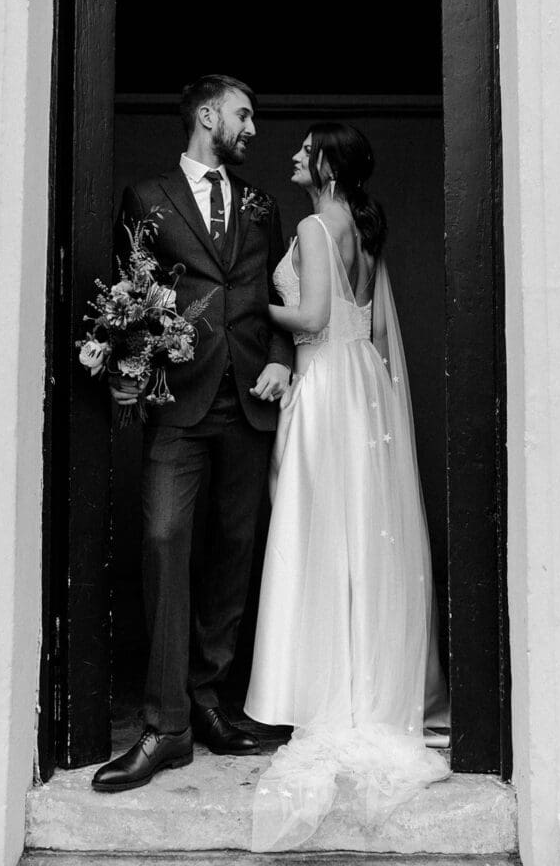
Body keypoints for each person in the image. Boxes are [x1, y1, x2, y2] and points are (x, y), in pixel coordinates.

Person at [244, 123, 450, 851]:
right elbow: (365, 326)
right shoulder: (360, 226)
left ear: (327, 166)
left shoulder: (311, 223)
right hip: (362, 383)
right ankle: (365, 683)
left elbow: (309, 318)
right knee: (360, 534)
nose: (293, 156)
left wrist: (240, 304)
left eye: (305, 150)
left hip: (327, 383)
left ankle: (328, 693)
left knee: (318, 532)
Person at [92, 74, 292, 793]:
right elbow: (128, 291)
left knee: (233, 553)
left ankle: (210, 702)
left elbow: (276, 292)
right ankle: (165, 725)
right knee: (163, 541)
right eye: (245, 114)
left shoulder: (261, 204)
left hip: (248, 403)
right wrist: (127, 368)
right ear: (207, 115)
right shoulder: (146, 198)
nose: (253, 129)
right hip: (178, 405)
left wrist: (277, 360)